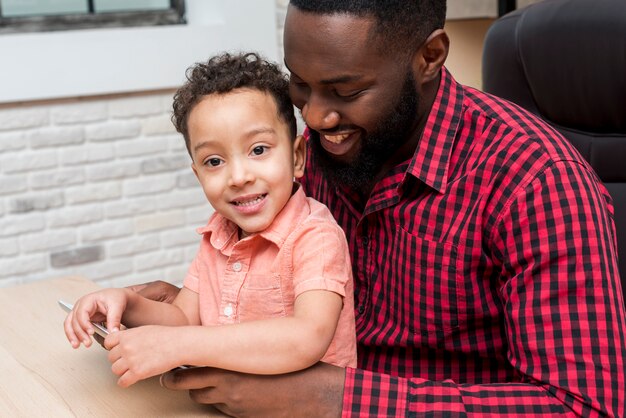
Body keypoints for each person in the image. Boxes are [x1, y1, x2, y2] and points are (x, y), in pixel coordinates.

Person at [141, 1, 626, 416]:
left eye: (346, 91)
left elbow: (582, 406)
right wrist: (198, 304)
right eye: (300, 85)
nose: (313, 116)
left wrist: (333, 399)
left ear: (429, 56)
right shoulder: (318, 152)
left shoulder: (536, 181)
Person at [63, 52, 357, 388]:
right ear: (197, 173)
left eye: (258, 150)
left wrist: (179, 346)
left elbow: (306, 337)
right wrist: (126, 303)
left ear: (297, 157)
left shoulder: (315, 236)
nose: (238, 176)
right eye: (214, 161)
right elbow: (185, 318)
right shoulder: (217, 235)